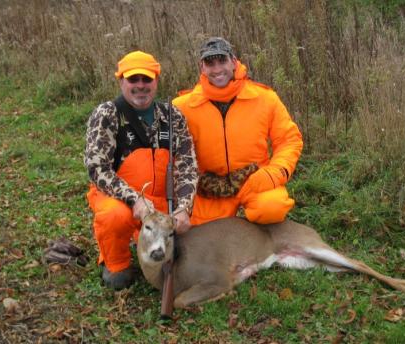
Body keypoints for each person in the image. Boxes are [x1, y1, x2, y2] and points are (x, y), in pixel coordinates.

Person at [84, 50, 198, 290]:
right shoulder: (107, 114)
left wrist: (183, 207)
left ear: (156, 81)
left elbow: (187, 164)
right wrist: (134, 199)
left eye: (147, 79)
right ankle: (116, 263)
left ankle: (148, 242)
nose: (140, 86)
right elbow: (97, 169)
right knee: (115, 217)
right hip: (120, 198)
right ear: (121, 81)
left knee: (198, 228)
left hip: (160, 202)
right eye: (133, 79)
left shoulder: (172, 116)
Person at [173, 37, 303, 226]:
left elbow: (289, 140)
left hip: (254, 181)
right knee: (197, 229)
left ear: (234, 62)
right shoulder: (182, 107)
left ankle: (257, 245)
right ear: (202, 67)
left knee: (271, 208)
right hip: (211, 188)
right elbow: (166, 154)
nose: (217, 69)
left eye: (222, 61)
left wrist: (275, 172)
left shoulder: (265, 99)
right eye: (210, 63)